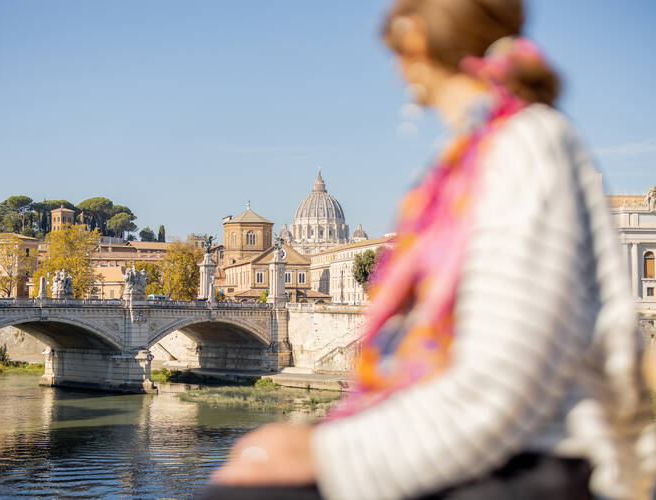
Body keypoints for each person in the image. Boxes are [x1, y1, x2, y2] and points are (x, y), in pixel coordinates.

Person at [204, 0, 656, 498]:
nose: (398, 74)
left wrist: (329, 454)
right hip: (496, 438)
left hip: (538, 456)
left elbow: (505, 387)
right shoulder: (481, 152)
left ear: (417, 43)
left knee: (248, 482)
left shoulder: (526, 145)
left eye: (396, 54)